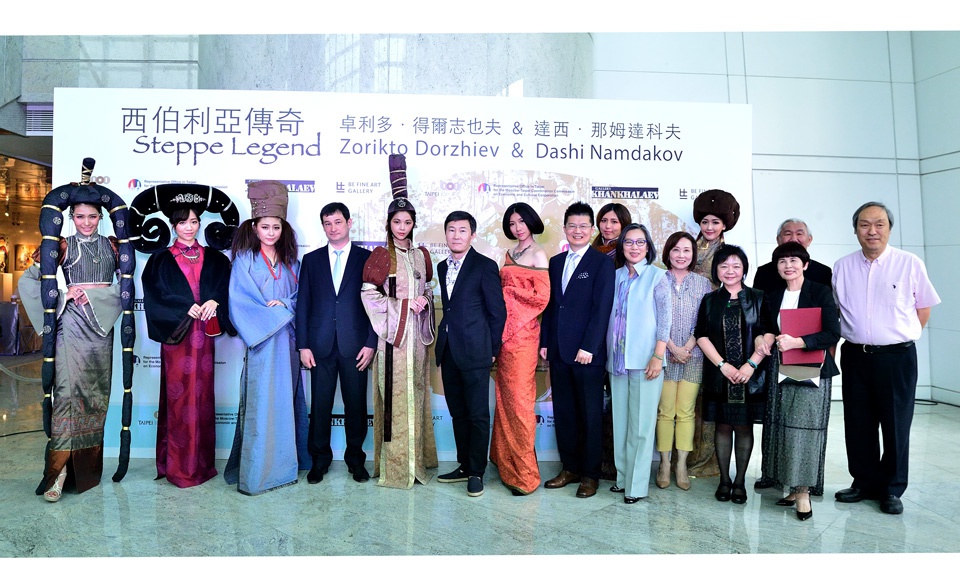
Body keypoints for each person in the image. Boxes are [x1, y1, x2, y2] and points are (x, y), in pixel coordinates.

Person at [19, 159, 135, 502]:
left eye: (93, 216)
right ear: (71, 217)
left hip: (101, 329)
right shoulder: (62, 245)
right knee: (66, 396)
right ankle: (57, 473)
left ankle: (84, 471)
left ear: (101, 217)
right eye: (80, 216)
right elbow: (30, 280)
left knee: (95, 398)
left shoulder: (114, 246)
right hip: (71, 325)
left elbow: (127, 289)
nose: (86, 222)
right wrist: (61, 294)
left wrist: (97, 296)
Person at [833, 201, 940, 515]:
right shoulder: (842, 266)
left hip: (897, 357)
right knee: (858, 422)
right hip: (855, 355)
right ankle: (863, 482)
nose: (872, 231)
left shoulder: (909, 263)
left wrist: (897, 337)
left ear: (889, 229)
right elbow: (836, 310)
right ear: (855, 230)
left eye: (879, 224)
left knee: (895, 423)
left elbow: (923, 310)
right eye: (864, 224)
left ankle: (892, 488)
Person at [138, 187, 236, 489]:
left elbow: (227, 288)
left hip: (205, 336)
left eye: (194, 222)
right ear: (173, 225)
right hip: (177, 336)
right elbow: (155, 296)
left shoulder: (216, 258)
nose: (189, 228)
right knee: (180, 399)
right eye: (183, 223)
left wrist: (215, 301)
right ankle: (180, 468)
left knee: (203, 398)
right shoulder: (160, 259)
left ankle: (202, 465)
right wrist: (184, 307)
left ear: (200, 223)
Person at [224, 180, 310, 495]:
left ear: (283, 228)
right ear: (254, 227)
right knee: (261, 404)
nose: (270, 232)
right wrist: (276, 314)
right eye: (265, 227)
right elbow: (239, 302)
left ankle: (286, 468)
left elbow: (302, 299)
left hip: (287, 343)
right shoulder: (244, 260)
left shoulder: (292, 262)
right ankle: (258, 472)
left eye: (276, 227)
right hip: (261, 343)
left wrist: (285, 304)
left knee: (286, 402)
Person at [360, 154, 438, 489]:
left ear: (413, 224)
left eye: (407, 222)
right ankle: (394, 468)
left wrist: (425, 302)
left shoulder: (422, 256)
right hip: (392, 341)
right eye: (397, 222)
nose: (402, 227)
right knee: (392, 399)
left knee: (417, 396)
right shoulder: (381, 256)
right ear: (389, 224)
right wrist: (405, 306)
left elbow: (429, 290)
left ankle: (416, 461)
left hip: (417, 343)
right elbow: (369, 297)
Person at [757, 241, 840, 520]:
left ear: (805, 264)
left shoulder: (820, 292)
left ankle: (803, 492)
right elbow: (766, 327)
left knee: (804, 431)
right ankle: (790, 486)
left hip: (811, 368)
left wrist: (798, 342)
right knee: (782, 428)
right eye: (782, 261)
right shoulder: (773, 295)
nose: (788, 265)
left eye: (794, 260)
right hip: (780, 368)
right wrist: (763, 337)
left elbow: (832, 333)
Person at [297, 202, 378, 485]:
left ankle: (356, 460)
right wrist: (303, 345)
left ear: (349, 223)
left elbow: (376, 306)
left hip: (356, 346)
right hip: (319, 345)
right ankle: (319, 460)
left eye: (338, 222)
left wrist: (371, 342)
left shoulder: (366, 259)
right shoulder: (311, 260)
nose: (333, 228)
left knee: (356, 405)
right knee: (320, 406)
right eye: (327, 223)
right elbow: (303, 304)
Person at [540, 201, 615, 498]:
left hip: (587, 355)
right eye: (572, 226)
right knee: (565, 413)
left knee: (590, 416)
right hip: (559, 351)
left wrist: (589, 346)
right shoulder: (556, 262)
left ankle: (590, 475)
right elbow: (551, 307)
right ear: (565, 228)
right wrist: (545, 342)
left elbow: (602, 309)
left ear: (592, 229)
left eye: (584, 226)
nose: (578, 231)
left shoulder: (602, 263)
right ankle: (569, 468)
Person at [695, 244, 775, 505]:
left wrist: (750, 365)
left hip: (749, 376)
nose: (730, 271)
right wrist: (723, 366)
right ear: (716, 270)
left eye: (736, 266)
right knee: (722, 426)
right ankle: (724, 480)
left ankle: (739, 482)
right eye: (724, 266)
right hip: (720, 375)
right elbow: (701, 335)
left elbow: (769, 331)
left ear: (744, 269)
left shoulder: (758, 297)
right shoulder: (710, 300)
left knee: (743, 426)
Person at [435, 211, 507, 497]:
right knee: (458, 413)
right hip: (448, 350)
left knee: (477, 414)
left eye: (462, 230)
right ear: (446, 234)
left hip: (476, 351)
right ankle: (464, 465)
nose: (456, 235)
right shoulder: (441, 267)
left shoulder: (484, 266)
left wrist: (492, 350)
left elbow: (497, 312)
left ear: (472, 235)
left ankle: (477, 471)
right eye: (451, 230)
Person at [606, 224, 671, 503]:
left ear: (648, 247)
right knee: (621, 424)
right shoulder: (615, 276)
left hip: (646, 361)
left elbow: (665, 321)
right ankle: (622, 478)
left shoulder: (658, 276)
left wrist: (657, 356)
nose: (634, 247)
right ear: (621, 247)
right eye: (628, 242)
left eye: (640, 242)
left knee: (642, 427)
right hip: (617, 360)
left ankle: (636, 486)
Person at [490, 202, 550, 496]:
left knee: (520, 403)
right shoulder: (509, 253)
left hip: (524, 336)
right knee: (503, 399)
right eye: (512, 223)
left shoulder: (539, 254)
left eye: (522, 222)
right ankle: (505, 462)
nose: (517, 228)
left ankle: (525, 475)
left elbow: (541, 298)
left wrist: (507, 292)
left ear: (531, 222)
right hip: (504, 336)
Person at [688, 189, 740, 478]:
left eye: (716, 222)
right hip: (682, 326)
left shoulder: (728, 254)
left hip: (712, 330)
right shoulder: (687, 247)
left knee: (707, 395)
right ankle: (682, 457)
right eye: (705, 221)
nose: (709, 227)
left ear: (725, 225)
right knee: (685, 398)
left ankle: (706, 460)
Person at [655, 231, 712, 491]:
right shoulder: (657, 279)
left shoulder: (703, 284)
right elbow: (653, 317)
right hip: (664, 356)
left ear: (693, 254)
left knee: (686, 412)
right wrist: (671, 347)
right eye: (676, 250)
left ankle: (681, 465)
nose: (681, 255)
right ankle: (664, 464)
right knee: (665, 411)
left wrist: (687, 347)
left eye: (687, 250)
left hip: (694, 356)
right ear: (668, 252)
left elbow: (705, 320)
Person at [591, 202, 632, 482]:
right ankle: (598, 461)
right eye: (604, 220)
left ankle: (619, 463)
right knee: (597, 403)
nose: (608, 226)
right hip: (594, 337)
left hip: (622, 339)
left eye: (614, 222)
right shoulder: (591, 252)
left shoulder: (629, 255)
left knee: (619, 404)